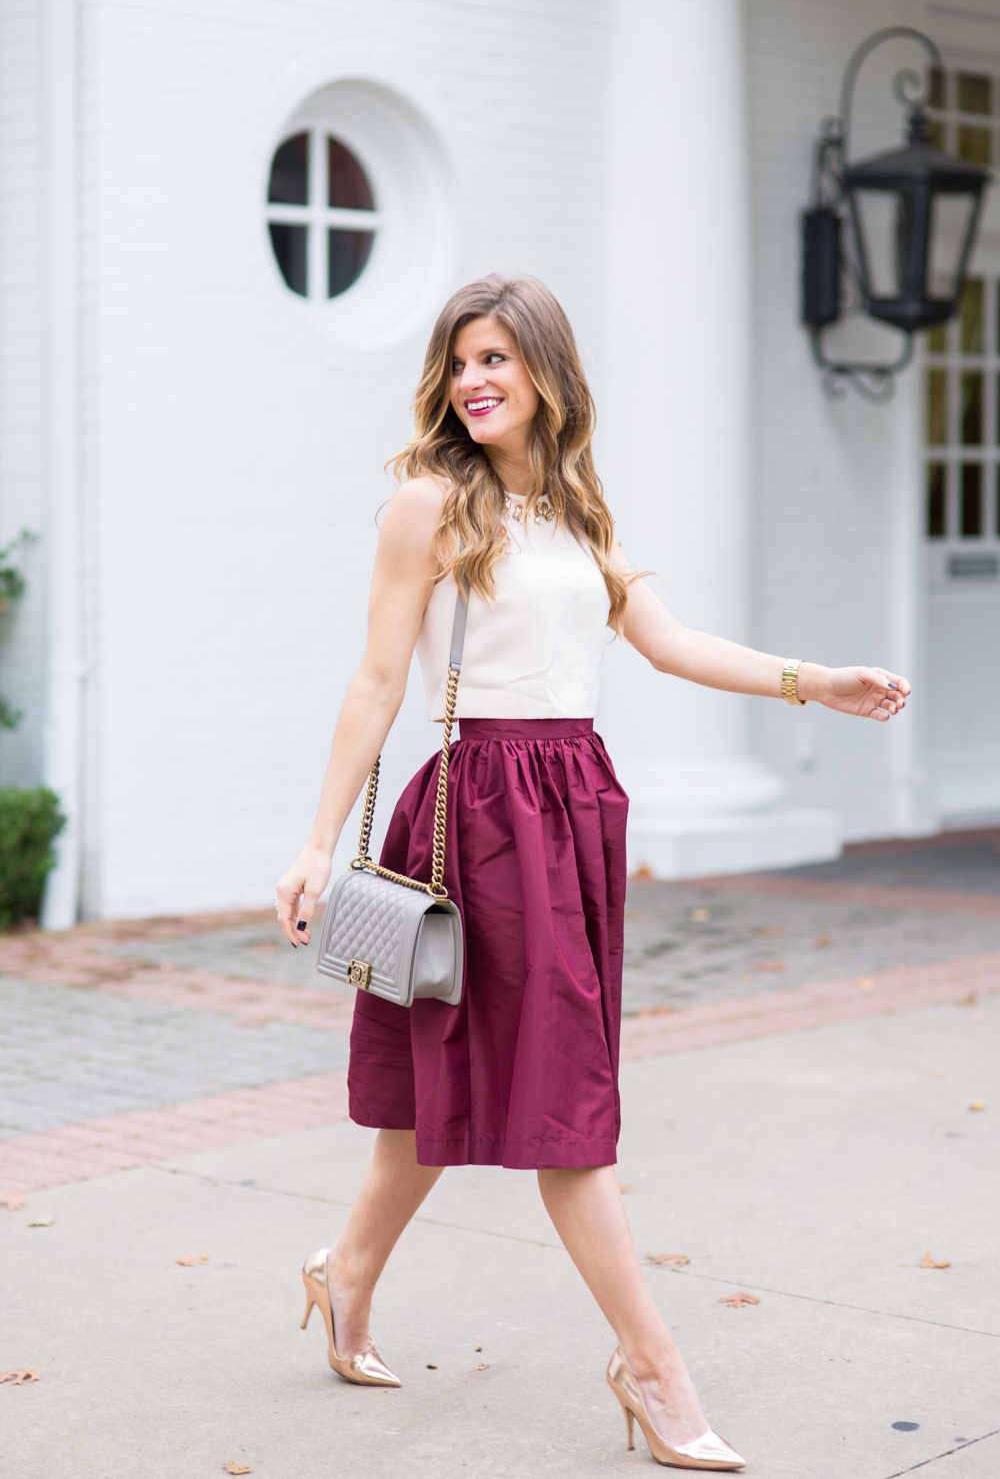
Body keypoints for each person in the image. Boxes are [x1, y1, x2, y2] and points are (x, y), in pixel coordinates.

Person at [276, 274, 909, 1471]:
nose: (475, 381)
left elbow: (668, 644)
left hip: (569, 812)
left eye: (498, 360)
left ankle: (344, 1269)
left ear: (546, 375)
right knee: (563, 1111)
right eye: (460, 360)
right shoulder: (425, 506)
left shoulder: (578, 509)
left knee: (459, 1078)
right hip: (476, 815)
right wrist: (316, 841)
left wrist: (810, 678)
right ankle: (655, 1368)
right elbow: (376, 681)